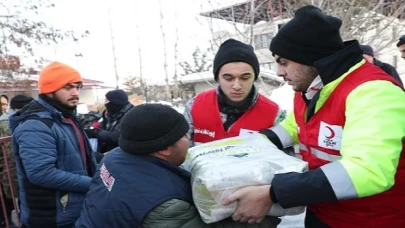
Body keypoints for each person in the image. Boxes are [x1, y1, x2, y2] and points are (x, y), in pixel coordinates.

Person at [223, 5, 405, 228]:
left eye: (283, 62)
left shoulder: (373, 91)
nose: (279, 72)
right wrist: (243, 146)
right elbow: (294, 127)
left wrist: (274, 192)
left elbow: (368, 170)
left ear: (309, 58)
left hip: (370, 220)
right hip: (323, 213)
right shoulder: (309, 89)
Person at [75, 103, 280, 228]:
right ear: (164, 149)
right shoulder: (163, 205)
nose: (189, 139)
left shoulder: (116, 156)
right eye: (184, 135)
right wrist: (268, 212)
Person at [9, 61, 96, 228]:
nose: (75, 92)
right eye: (68, 87)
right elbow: (41, 173)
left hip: (71, 209)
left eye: (78, 87)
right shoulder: (35, 125)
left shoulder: (65, 117)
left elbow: (80, 155)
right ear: (49, 90)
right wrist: (92, 183)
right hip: (52, 216)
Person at [184, 38, 287, 149]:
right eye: (228, 78)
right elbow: (181, 157)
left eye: (245, 78)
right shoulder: (195, 106)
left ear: (254, 77)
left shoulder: (274, 114)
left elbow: (286, 162)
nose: (237, 86)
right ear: (217, 78)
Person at [85, 89, 133, 153]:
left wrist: (96, 133)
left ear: (115, 102)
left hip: (121, 153)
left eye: (107, 100)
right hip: (110, 150)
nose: (105, 103)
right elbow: (105, 127)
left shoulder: (129, 116)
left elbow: (118, 137)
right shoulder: (112, 113)